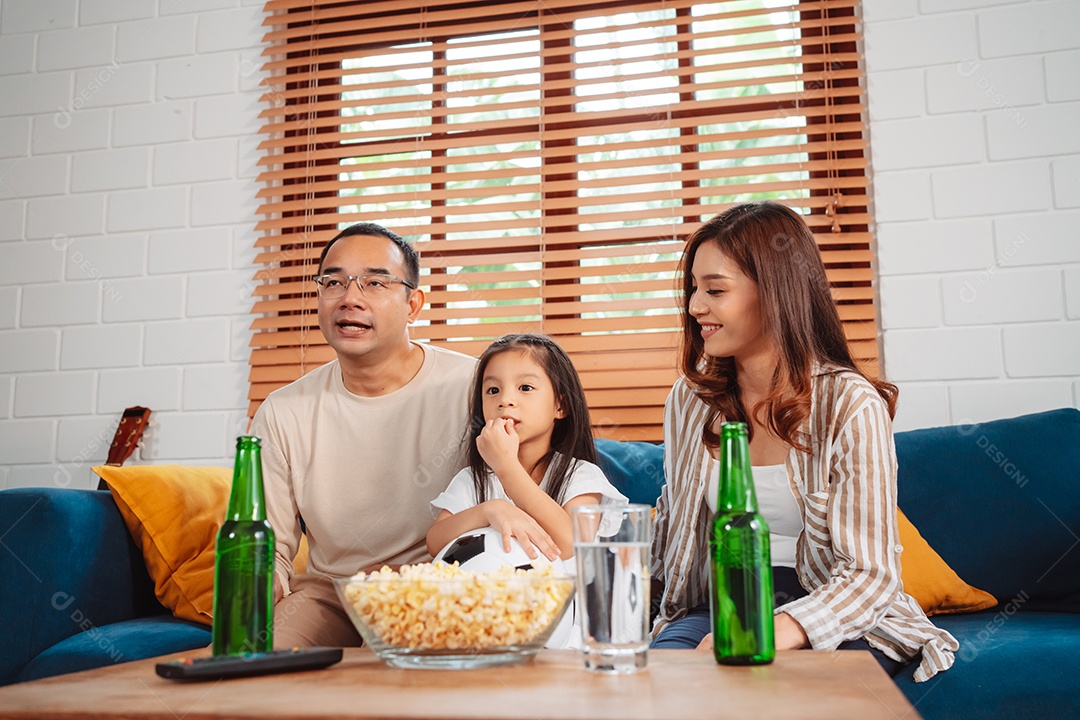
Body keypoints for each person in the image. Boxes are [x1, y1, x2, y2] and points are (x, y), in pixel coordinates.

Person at [650, 201, 959, 682]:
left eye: (714, 290)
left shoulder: (850, 404)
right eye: (693, 288)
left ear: (775, 293)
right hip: (721, 605)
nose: (694, 307)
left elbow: (870, 575)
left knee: (773, 693)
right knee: (664, 682)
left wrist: (777, 629)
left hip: (835, 610)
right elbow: (674, 530)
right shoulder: (689, 401)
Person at [250, 222, 477, 649]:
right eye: (333, 282)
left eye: (375, 282)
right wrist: (261, 590)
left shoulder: (475, 387)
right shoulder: (282, 411)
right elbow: (271, 547)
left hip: (441, 588)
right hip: (332, 595)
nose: (350, 298)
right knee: (246, 671)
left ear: (413, 304)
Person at [426, 334, 627, 648]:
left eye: (525, 388)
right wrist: (490, 510)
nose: (505, 400)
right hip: (481, 636)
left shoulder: (581, 476)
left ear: (560, 405)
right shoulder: (474, 479)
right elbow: (436, 541)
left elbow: (569, 541)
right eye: (493, 390)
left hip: (566, 645)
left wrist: (507, 466)